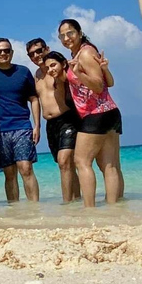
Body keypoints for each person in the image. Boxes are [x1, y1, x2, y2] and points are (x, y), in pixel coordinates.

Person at [58, 18, 123, 207]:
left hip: (97, 113)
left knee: (81, 161)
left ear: (79, 32)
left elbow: (98, 85)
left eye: (70, 33)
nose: (66, 38)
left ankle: (89, 209)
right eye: (62, 35)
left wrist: (78, 73)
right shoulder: (80, 52)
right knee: (109, 166)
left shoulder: (85, 53)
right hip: (109, 112)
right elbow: (108, 82)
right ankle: (114, 209)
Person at [0, 38, 40, 202]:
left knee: (26, 168)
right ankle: (15, 212)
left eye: (6, 50)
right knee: (9, 173)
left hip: (22, 126)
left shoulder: (23, 72)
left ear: (12, 52)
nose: (3, 54)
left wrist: (37, 126)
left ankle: (34, 209)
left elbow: (34, 99)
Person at [27, 39, 80, 203]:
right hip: (51, 125)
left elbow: (75, 81)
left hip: (67, 119)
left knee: (65, 162)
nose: (36, 55)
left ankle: (66, 204)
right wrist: (37, 126)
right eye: (32, 54)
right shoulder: (36, 75)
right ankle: (77, 200)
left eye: (39, 50)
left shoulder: (58, 70)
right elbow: (35, 100)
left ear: (47, 49)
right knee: (65, 165)